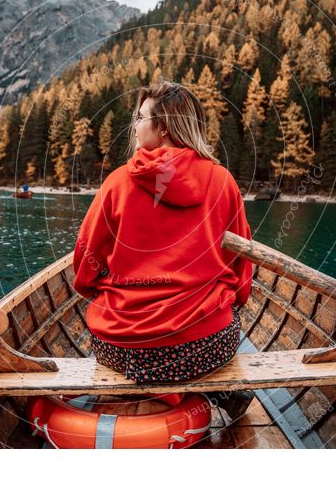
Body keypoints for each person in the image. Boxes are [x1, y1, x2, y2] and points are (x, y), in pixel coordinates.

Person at [72, 81, 254, 419]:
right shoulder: (223, 181)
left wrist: (104, 293)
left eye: (141, 117)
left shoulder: (117, 183)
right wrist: (224, 302)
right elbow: (242, 269)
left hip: (122, 346)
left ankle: (161, 391)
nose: (135, 125)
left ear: (164, 127)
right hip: (202, 348)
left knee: (119, 338)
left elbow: (85, 263)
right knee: (226, 315)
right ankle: (210, 390)